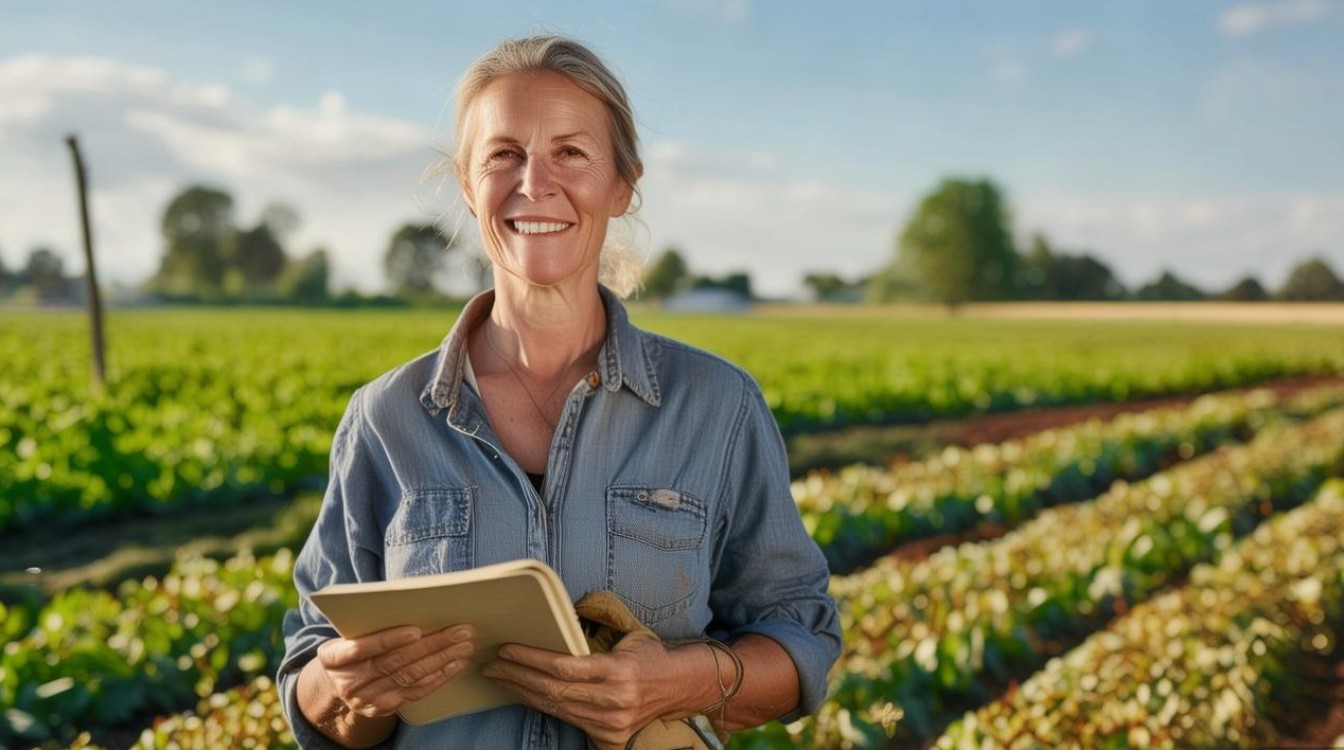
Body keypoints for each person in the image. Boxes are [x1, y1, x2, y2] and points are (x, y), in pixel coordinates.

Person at [278, 35, 840, 749]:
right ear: (468, 185)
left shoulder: (718, 406)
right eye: (503, 155)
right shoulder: (384, 419)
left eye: (570, 152)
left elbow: (800, 639)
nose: (534, 183)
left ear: (621, 185)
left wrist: (680, 682)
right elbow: (312, 671)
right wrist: (347, 691)